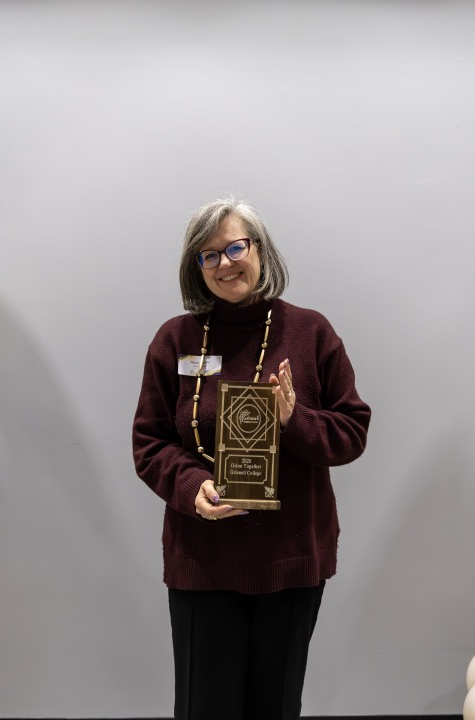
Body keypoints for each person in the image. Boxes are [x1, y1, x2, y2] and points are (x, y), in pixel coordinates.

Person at [132, 197, 371, 720]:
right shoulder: (175, 340)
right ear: (196, 268)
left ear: (260, 250)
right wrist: (191, 485)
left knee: (275, 708)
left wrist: (295, 419)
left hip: (290, 559)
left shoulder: (311, 333)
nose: (225, 263)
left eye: (235, 247)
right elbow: (149, 442)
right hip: (203, 556)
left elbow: (352, 432)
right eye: (209, 255)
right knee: (203, 708)